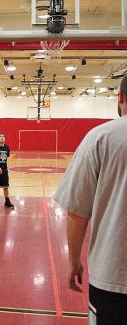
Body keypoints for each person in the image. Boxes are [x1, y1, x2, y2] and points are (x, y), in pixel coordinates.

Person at [53, 74, 127, 325]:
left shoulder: (100, 137)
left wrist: (74, 261)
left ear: (120, 97)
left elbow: (77, 210)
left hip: (113, 275)